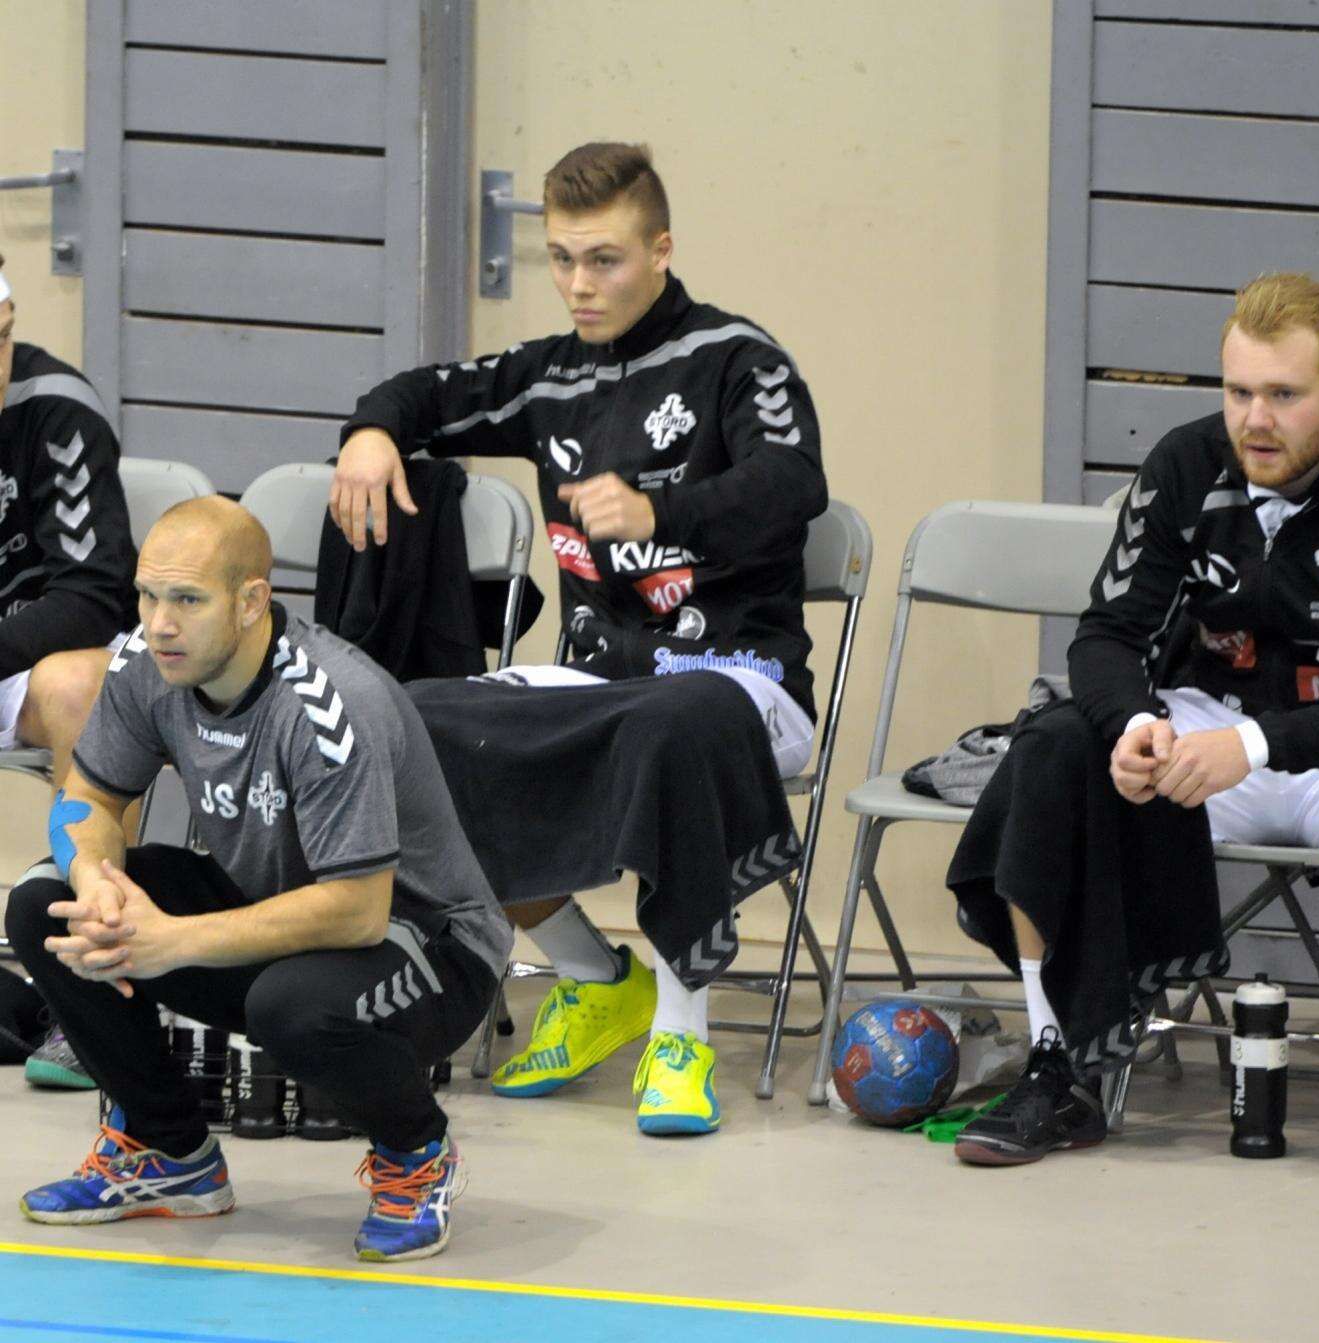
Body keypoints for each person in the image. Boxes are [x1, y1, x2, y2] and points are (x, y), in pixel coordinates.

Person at [330, 142, 826, 1135]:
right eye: (561, 259)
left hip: (736, 678)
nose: (578, 285)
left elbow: (794, 483)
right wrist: (370, 434)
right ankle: (596, 975)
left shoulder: (741, 359)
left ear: (661, 250)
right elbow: (421, 393)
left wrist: (660, 510)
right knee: (417, 723)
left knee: (676, 721)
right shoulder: (550, 375)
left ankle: (681, 1033)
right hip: (599, 680)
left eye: (604, 259)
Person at [952, 274, 1319, 1201]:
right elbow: (1106, 635)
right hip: (1214, 729)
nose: (1254, 420)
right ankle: (1058, 1066)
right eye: (1238, 391)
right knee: (1055, 747)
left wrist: (1259, 746)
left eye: (1284, 394)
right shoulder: (1184, 465)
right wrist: (1133, 725)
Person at [3, 496, 512, 1261]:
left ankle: (416, 1155)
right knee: (47, 903)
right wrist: (97, 878)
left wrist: (173, 940)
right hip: (273, 907)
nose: (160, 622)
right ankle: (169, 1151)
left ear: (250, 601)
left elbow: (358, 911)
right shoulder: (148, 663)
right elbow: (92, 796)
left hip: (428, 945)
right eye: (147, 595)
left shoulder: (330, 703)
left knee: (291, 1006)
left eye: (187, 600)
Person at [0, 253, 140, 1090]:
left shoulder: (58, 412)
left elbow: (92, 597)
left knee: (80, 685)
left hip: (27, 660)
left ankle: (84, 996)